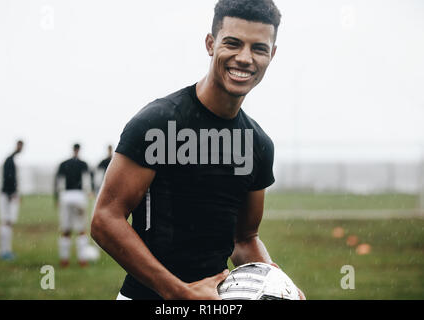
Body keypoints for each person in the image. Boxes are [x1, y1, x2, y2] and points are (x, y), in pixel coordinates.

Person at [91, 0, 305, 300]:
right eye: (233, 43)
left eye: (259, 48)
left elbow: (244, 239)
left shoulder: (257, 144)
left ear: (272, 54)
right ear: (210, 43)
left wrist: (276, 282)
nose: (245, 58)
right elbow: (105, 220)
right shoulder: (158, 123)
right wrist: (178, 292)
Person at [54, 143, 92, 267]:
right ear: (79, 150)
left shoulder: (63, 164)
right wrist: (88, 193)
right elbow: (87, 181)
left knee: (66, 230)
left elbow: (59, 182)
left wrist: (57, 198)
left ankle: (64, 260)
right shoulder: (83, 164)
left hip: (65, 196)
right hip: (79, 196)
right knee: (81, 230)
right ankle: (82, 260)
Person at [0, 140, 24, 260]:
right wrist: (11, 194)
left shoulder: (10, 160)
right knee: (6, 222)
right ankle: (4, 251)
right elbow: (8, 178)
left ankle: (4, 250)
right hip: (7, 195)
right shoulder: (10, 160)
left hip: (7, 194)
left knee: (7, 222)